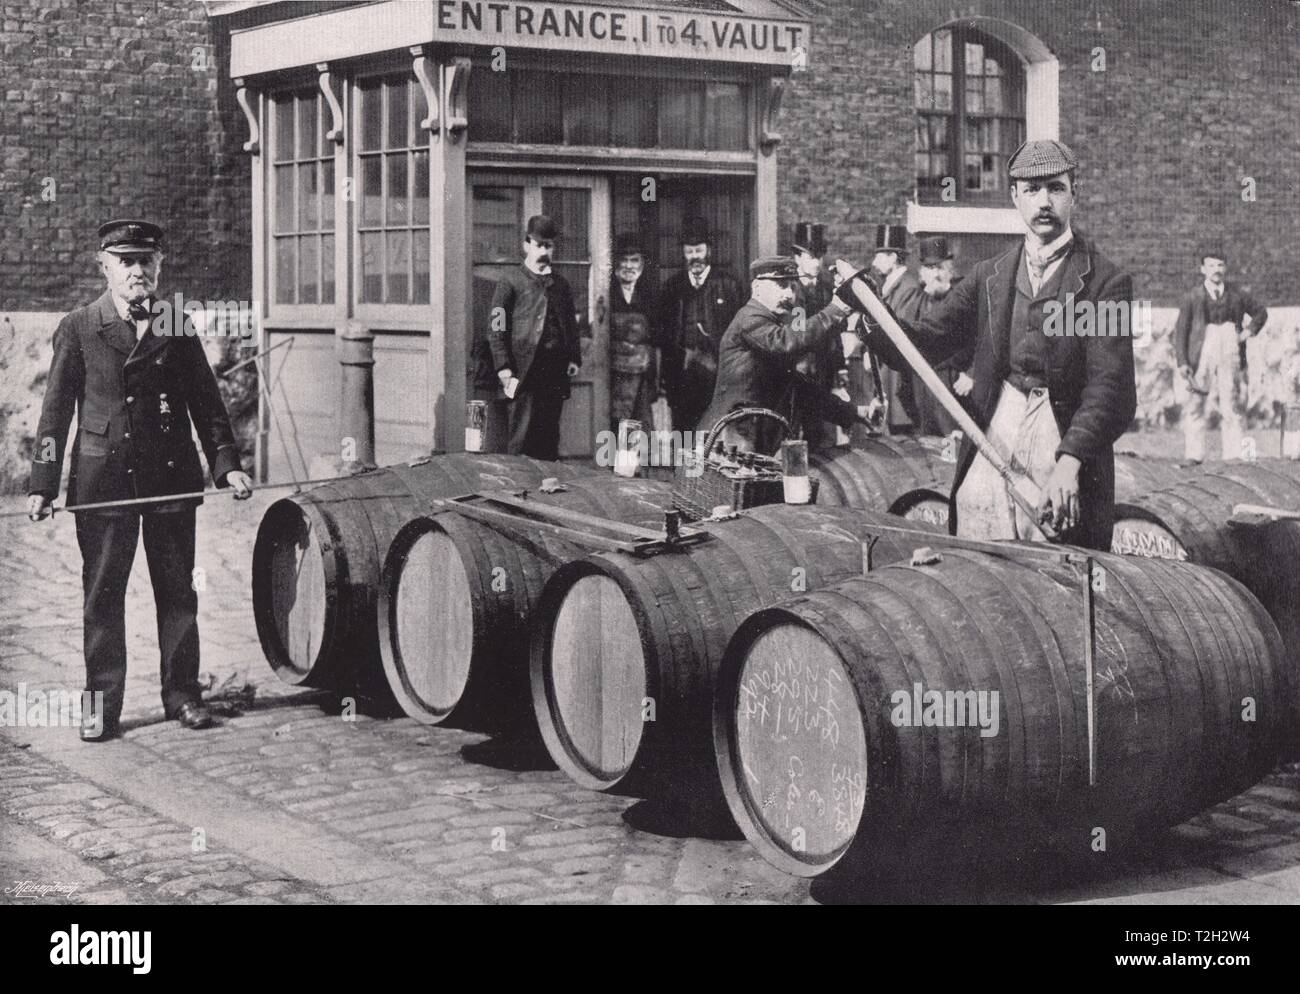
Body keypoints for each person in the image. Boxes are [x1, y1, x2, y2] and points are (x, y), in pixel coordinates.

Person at [842, 140, 1136, 550]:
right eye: (1031, 190)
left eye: (1055, 188)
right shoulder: (990, 276)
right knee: (978, 525)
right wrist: (870, 315)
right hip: (1001, 417)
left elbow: (1112, 388)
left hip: (1066, 434)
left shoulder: (1107, 283)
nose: (1044, 202)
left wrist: (1071, 461)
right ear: (1015, 196)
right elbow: (927, 342)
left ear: (1075, 192)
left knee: (1057, 543)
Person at [26, 219, 254, 741]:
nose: (136, 271)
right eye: (125, 261)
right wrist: (43, 481)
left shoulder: (177, 323)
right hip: (102, 481)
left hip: (169, 477)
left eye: (145, 261)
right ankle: (101, 708)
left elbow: (207, 401)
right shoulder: (80, 326)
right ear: (104, 266)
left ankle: (183, 696)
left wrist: (227, 464)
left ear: (160, 266)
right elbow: (54, 413)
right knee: (102, 596)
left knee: (178, 592)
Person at [697, 256, 872, 455]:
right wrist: (836, 310)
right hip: (732, 440)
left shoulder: (773, 324)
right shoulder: (750, 318)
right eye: (781, 285)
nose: (789, 294)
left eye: (792, 286)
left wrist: (855, 412)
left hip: (749, 438)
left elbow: (801, 388)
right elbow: (786, 342)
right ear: (757, 287)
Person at [487, 214, 582, 460]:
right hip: (522, 372)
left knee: (549, 439)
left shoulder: (560, 285)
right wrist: (503, 367)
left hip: (554, 373)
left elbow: (570, 324)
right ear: (526, 245)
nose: (544, 251)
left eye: (548, 246)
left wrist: (574, 357)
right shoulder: (509, 282)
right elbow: (495, 327)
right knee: (520, 438)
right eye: (539, 245)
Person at [1173, 248, 1268, 463]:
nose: (1216, 270)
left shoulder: (1237, 295)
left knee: (1231, 398)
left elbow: (1261, 313)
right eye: (1212, 265)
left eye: (1220, 265)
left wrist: (1247, 332)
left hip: (1229, 346)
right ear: (1202, 269)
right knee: (1196, 400)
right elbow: (1181, 332)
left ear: (1225, 268)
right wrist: (1182, 362)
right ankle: (1193, 454)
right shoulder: (1192, 297)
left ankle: (1233, 454)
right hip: (1202, 347)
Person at [659, 216, 743, 434]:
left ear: (709, 251)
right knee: (682, 428)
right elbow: (664, 335)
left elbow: (741, 331)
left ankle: (709, 468)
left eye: (699, 250)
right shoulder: (671, 287)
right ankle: (683, 469)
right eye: (689, 251)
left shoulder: (729, 285)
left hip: (717, 370)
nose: (694, 257)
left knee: (714, 427)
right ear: (683, 253)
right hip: (681, 371)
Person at [790, 221, 846, 450]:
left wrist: (840, 367)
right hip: (796, 372)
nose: (816, 262)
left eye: (819, 257)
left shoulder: (826, 287)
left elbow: (836, 332)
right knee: (793, 430)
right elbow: (797, 332)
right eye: (811, 257)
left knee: (819, 431)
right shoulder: (790, 289)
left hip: (823, 370)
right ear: (797, 259)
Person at [867, 224, 926, 433]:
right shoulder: (892, 287)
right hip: (888, 380)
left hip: (898, 384)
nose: (874, 263)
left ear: (893, 257)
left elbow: (898, 335)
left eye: (879, 256)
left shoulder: (908, 289)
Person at [914, 235, 973, 436]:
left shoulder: (962, 299)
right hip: (924, 384)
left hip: (952, 382)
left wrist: (972, 373)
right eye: (930, 269)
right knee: (929, 445)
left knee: (952, 443)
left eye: (940, 268)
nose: (936, 274)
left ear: (949, 270)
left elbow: (983, 339)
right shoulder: (920, 300)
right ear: (922, 272)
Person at [607, 232, 661, 434]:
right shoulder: (605, 294)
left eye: (634, 260)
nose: (629, 266)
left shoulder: (650, 298)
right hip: (612, 376)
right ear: (615, 264)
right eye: (624, 260)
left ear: (642, 265)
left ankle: (633, 466)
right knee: (615, 423)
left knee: (639, 425)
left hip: (642, 375)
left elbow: (656, 341)